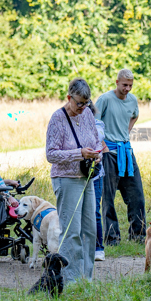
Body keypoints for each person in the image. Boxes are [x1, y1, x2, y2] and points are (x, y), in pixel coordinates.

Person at [46, 78, 105, 283]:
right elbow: (51, 154)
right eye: (79, 103)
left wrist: (97, 154)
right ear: (69, 97)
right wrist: (79, 153)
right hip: (66, 179)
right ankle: (70, 280)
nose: (82, 108)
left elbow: (96, 140)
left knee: (89, 230)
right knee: (72, 232)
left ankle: (86, 279)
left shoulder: (87, 113)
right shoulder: (57, 118)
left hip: (88, 177)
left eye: (86, 103)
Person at [96, 69, 146, 245]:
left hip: (126, 150)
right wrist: (102, 146)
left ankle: (138, 235)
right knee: (108, 198)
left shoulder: (132, 100)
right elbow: (94, 123)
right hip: (109, 152)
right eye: (125, 85)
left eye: (131, 85)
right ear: (117, 82)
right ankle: (112, 237)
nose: (127, 89)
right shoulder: (105, 99)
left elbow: (135, 115)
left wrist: (126, 131)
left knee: (137, 195)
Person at [89, 100, 106, 261]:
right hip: (76, 175)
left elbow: (99, 135)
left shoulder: (98, 124)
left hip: (95, 175)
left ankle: (98, 247)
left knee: (95, 211)